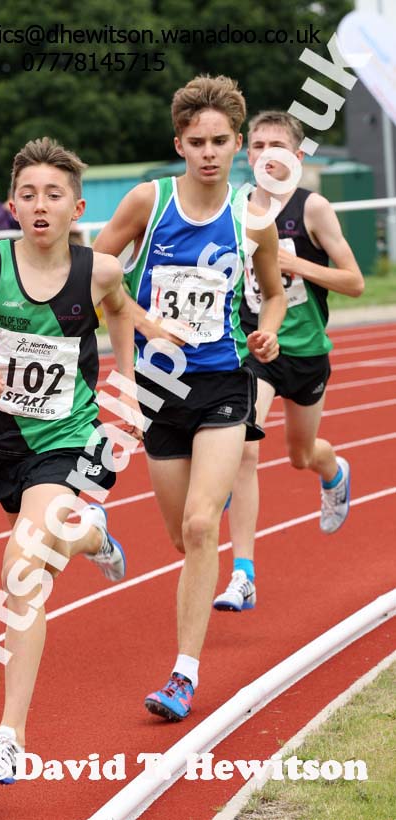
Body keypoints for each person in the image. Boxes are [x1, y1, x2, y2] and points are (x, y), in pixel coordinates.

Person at [0, 137, 142, 781]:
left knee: (22, 570)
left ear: (77, 207)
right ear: (12, 206)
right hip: (2, 440)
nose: (41, 205)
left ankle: (8, 738)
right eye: (30, 194)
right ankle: (94, 534)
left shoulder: (98, 270)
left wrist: (127, 390)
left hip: (66, 440)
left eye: (55, 195)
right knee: (51, 542)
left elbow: (121, 316)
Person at [94, 76, 286, 721]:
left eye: (220, 142)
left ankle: (182, 675)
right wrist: (136, 340)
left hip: (225, 383)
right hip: (159, 388)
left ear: (239, 146)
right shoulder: (148, 202)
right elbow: (94, 273)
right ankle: (165, 512)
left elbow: (275, 290)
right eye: (196, 141)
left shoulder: (253, 218)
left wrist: (269, 331)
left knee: (205, 525)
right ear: (179, 143)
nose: (208, 152)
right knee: (183, 539)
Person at [213, 110, 364, 614]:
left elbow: (355, 282)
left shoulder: (312, 208)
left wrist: (295, 262)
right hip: (254, 348)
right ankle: (243, 574)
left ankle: (333, 470)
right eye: (256, 146)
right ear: (246, 153)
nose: (265, 155)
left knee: (301, 454)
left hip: (307, 353)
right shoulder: (232, 209)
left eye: (276, 146)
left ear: (296, 157)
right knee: (246, 446)